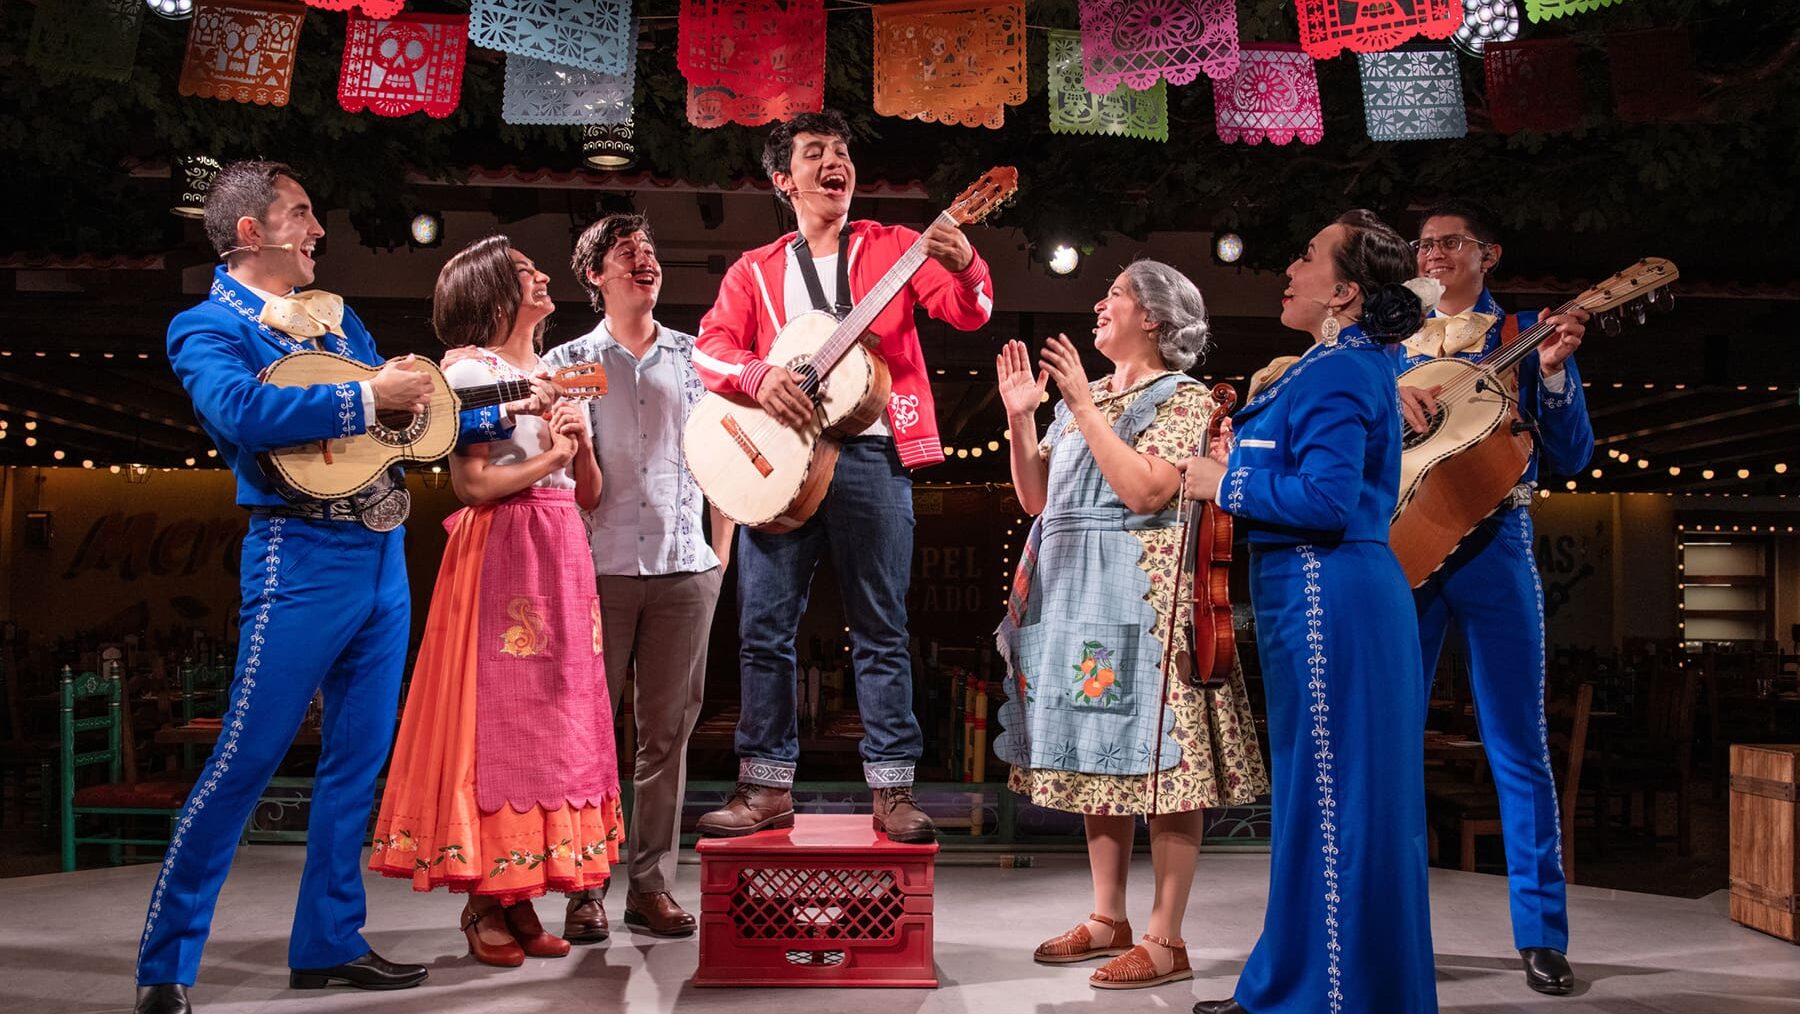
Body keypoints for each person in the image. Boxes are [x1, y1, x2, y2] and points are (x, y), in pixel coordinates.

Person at [137, 162, 528, 1014]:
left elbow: (398, 431)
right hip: (297, 552)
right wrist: (366, 395)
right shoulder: (205, 325)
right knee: (245, 759)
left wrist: (506, 407)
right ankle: (165, 964)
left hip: (379, 551)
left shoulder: (336, 318)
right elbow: (242, 413)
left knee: (358, 762)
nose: (318, 230)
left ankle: (329, 941)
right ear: (252, 232)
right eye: (302, 214)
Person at [691, 109, 994, 842]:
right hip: (780, 468)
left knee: (882, 627)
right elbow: (710, 348)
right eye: (815, 152)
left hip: (873, 455)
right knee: (764, 629)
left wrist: (965, 263)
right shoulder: (754, 270)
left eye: (842, 151)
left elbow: (972, 313)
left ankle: (893, 791)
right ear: (783, 179)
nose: (836, 162)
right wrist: (760, 376)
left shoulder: (895, 246)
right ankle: (766, 787)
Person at [1185, 211, 1438, 1014]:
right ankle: (1294, 985)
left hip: (1331, 597)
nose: (1289, 269)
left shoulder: (1340, 370)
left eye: (1305, 256)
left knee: (1333, 805)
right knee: (1317, 802)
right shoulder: (1335, 364)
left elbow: (1327, 501)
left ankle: (1327, 996)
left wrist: (1221, 482)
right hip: (1321, 595)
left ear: (1344, 291)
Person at [993, 261, 1267, 990]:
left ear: (1152, 317)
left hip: (1146, 606)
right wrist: (1022, 417)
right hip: (1078, 599)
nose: (1098, 303)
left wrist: (1085, 407)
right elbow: (1036, 498)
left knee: (1166, 769)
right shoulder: (1082, 401)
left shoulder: (1184, 398)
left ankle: (1166, 938)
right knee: (1100, 759)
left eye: (1114, 293)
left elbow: (1147, 490)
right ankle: (1106, 918)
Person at [368, 236, 623, 967]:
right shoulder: (469, 372)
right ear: (491, 292)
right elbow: (472, 485)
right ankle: (486, 897)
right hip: (505, 548)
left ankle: (520, 895)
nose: (540, 276)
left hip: (562, 547)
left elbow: (589, 494)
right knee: (499, 723)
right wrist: (552, 456)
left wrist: (579, 450)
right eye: (523, 271)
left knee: (555, 725)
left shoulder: (556, 372)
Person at [1398, 198, 1592, 996]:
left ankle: (1542, 933)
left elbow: (1572, 455)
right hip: (1408, 541)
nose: (1433, 254)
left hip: (1495, 541)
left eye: (1451, 242)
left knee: (1518, 742)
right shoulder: (1388, 345)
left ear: (1489, 254)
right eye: (1424, 244)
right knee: (1391, 745)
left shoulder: (1526, 333)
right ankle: (1397, 928)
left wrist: (1553, 376)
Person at [539, 213, 734, 941]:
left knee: (666, 738)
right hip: (595, 572)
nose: (643, 259)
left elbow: (727, 456)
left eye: (649, 249)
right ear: (595, 276)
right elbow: (555, 476)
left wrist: (720, 556)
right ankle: (584, 889)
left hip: (686, 570)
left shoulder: (697, 358)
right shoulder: (566, 362)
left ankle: (650, 886)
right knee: (585, 736)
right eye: (625, 252)